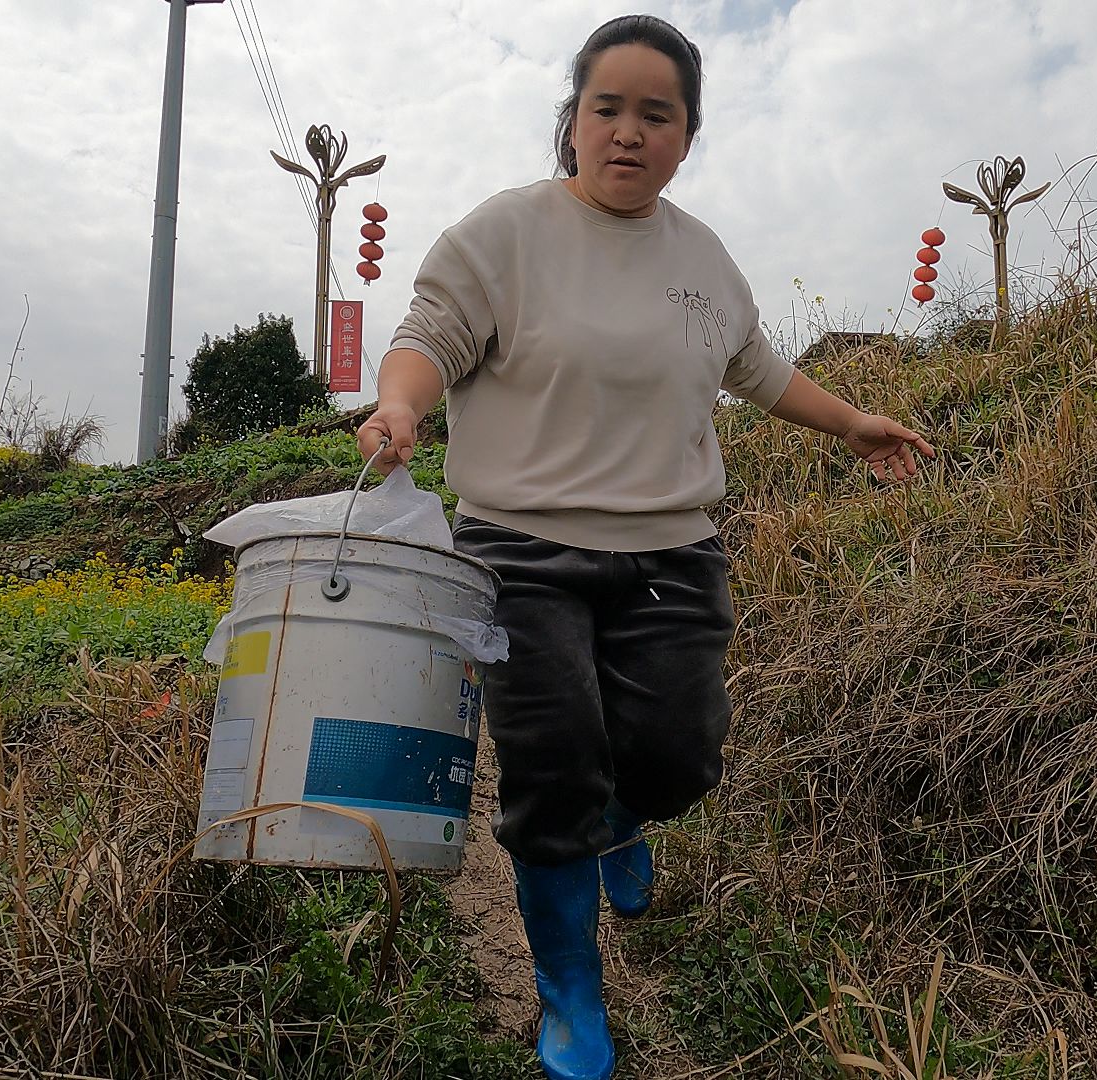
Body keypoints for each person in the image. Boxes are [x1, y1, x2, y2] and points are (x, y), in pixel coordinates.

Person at [358, 14, 933, 1080]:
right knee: (553, 765)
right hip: (518, 552)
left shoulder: (701, 257)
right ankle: (570, 987)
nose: (628, 131)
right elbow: (427, 338)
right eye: (605, 108)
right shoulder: (505, 235)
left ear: (686, 135)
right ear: (572, 122)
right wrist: (400, 406)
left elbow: (756, 367)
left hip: (672, 555)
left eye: (655, 114)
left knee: (678, 755)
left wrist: (850, 420)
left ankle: (627, 823)